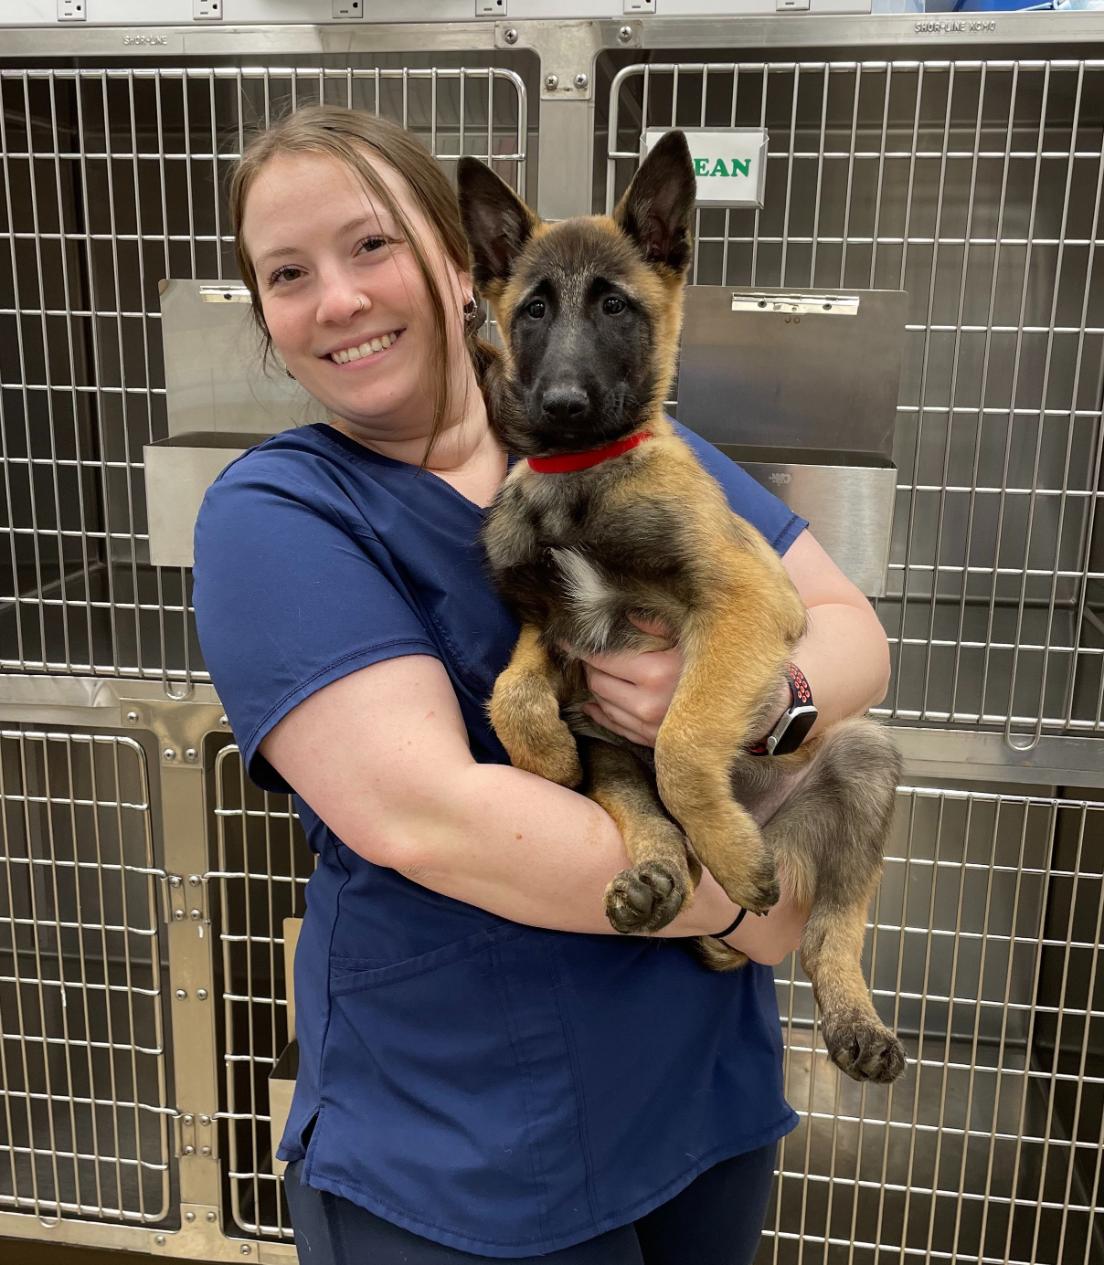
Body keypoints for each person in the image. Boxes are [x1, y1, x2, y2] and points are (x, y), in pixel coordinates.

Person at [193, 105, 892, 1265]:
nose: (341, 299)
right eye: (286, 273)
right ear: (266, 316)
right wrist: (741, 904)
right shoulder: (278, 514)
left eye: (372, 245)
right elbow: (429, 813)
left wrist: (772, 702)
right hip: (467, 1147)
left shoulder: (615, 436)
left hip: (699, 1099)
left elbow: (845, 627)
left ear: (458, 262)